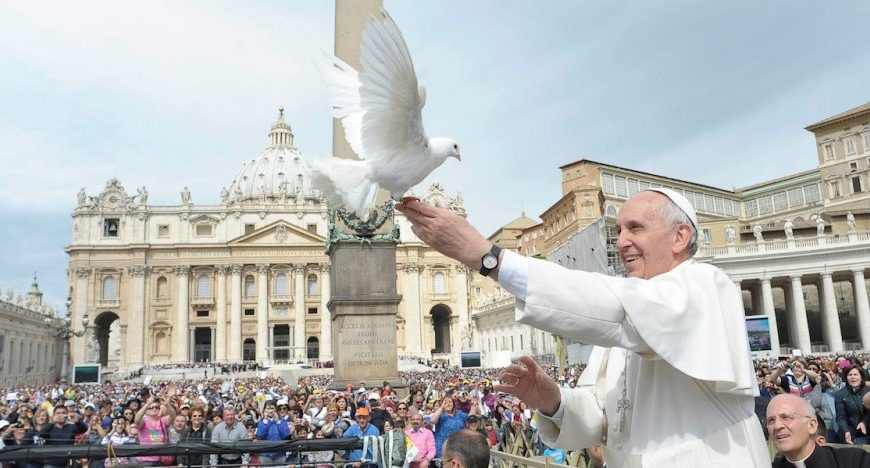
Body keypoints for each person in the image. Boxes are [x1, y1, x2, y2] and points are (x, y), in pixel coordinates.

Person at [397, 189, 769, 466]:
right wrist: (552, 400)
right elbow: (599, 417)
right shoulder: (626, 323)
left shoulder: (705, 285)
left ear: (680, 237)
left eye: (636, 228)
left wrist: (489, 258)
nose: (622, 241)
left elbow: (616, 305)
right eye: (619, 230)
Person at [768, 394, 870, 467]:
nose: (777, 426)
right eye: (771, 420)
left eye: (786, 417)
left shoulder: (854, 461)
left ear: (812, 425)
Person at [835, 365, 870, 445]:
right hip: (852, 434)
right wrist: (846, 431)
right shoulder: (840, 394)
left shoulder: (868, 391)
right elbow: (841, 417)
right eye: (850, 375)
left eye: (855, 374)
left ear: (861, 377)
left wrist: (864, 422)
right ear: (846, 378)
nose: (853, 377)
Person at [256, 401, 291, 466]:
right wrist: (265, 420)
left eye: (272, 409)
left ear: (276, 410)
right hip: (265, 454)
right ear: (264, 410)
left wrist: (278, 421)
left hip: (280, 453)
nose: (270, 411)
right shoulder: (262, 422)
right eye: (268, 409)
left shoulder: (282, 421)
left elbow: (286, 434)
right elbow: (260, 435)